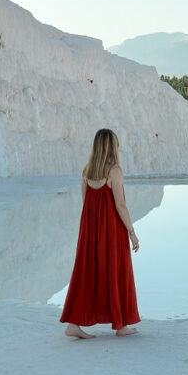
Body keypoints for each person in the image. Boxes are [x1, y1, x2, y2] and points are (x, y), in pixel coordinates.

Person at [60, 128, 141, 338]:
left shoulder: (87, 171)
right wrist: (131, 231)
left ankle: (73, 324)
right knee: (116, 270)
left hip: (90, 230)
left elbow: (85, 200)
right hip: (112, 230)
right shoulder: (114, 170)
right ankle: (120, 325)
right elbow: (120, 205)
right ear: (112, 146)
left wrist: (92, 226)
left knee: (86, 272)